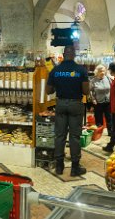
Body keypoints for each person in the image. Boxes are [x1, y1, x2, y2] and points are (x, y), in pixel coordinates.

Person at [46, 46, 89, 177]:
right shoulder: (81, 70)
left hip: (60, 104)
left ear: (64, 54)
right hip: (76, 104)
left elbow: (49, 91)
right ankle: (75, 168)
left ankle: (59, 166)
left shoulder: (55, 70)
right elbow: (86, 91)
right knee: (75, 136)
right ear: (74, 54)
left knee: (60, 135)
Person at [90, 64, 112, 136]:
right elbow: (90, 91)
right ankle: (99, 133)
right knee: (99, 118)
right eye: (100, 71)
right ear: (97, 72)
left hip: (108, 101)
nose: (102, 72)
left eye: (103, 71)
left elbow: (112, 88)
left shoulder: (108, 78)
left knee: (109, 117)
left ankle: (110, 132)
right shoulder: (93, 80)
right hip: (98, 102)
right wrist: (93, 99)